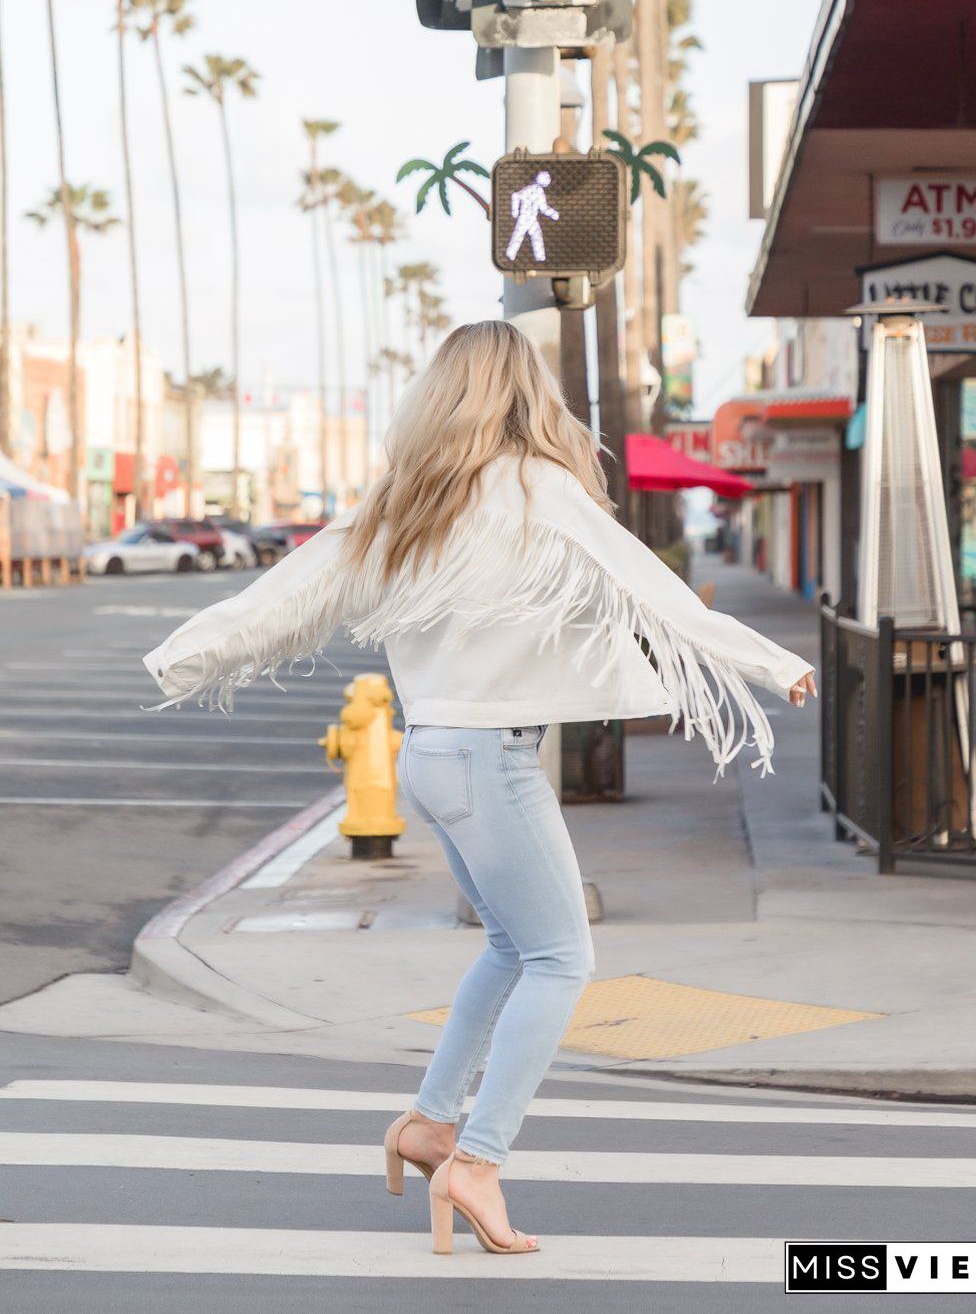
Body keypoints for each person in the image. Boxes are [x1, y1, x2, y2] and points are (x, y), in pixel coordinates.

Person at [143, 319, 815, 1258]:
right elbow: (650, 591)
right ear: (523, 394)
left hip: (433, 754)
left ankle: (428, 1125)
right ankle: (478, 1161)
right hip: (490, 760)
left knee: (510, 946)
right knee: (560, 959)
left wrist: (186, 652)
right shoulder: (539, 489)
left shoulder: (403, 500)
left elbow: (289, 591)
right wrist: (771, 662)